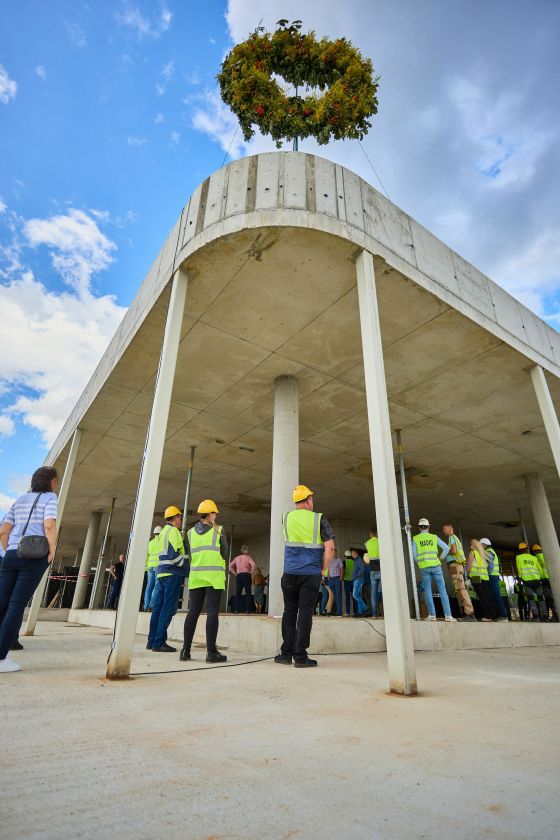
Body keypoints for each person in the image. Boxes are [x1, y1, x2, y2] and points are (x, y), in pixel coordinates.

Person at [0, 466, 58, 673]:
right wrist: (51, 551)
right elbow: (49, 525)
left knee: (2, 603)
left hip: (12, 555)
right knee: (16, 606)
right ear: (50, 481)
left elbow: (3, 531)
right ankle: (1, 658)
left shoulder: (19, 500)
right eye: (55, 480)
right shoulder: (50, 498)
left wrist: (10, 551)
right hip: (34, 556)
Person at [275, 484, 334, 667]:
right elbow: (330, 548)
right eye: (312, 499)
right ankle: (300, 657)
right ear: (308, 500)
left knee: (289, 611)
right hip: (310, 574)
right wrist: (323, 570)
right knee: (305, 613)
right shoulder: (319, 519)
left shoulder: (285, 517)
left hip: (290, 573)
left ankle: (286, 654)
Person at [181, 500, 228, 663]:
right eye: (214, 513)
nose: (216, 515)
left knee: (193, 612)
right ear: (209, 515)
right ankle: (211, 652)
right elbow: (225, 553)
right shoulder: (219, 531)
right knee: (212, 612)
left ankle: (185, 651)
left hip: (196, 577)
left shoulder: (190, 533)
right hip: (213, 577)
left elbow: (191, 554)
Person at [147, 506, 188, 652]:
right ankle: (159, 643)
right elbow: (173, 553)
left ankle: (152, 641)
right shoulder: (174, 532)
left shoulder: (163, 532)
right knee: (168, 608)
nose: (181, 520)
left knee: (157, 608)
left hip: (161, 574)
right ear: (176, 517)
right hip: (172, 574)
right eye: (180, 517)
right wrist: (184, 564)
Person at [412, 518, 456, 622]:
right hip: (436, 566)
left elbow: (414, 555)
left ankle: (432, 615)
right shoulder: (434, 537)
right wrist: (440, 558)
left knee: (427, 590)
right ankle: (448, 616)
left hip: (424, 567)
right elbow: (446, 548)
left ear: (419, 527)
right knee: (443, 591)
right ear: (428, 527)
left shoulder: (415, 539)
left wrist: (420, 563)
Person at [442, 524, 475, 621]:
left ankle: (470, 613)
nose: (443, 531)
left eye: (444, 529)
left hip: (455, 565)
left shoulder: (452, 537)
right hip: (456, 566)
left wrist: (445, 551)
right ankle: (467, 613)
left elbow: (453, 550)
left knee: (461, 588)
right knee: (459, 589)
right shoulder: (454, 538)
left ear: (450, 529)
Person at [466, 540, 497, 622]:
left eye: (470, 545)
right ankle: (491, 615)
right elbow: (490, 565)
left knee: (481, 597)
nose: (469, 546)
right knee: (487, 596)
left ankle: (486, 616)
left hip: (476, 578)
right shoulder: (483, 553)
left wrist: (466, 575)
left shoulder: (473, 553)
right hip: (484, 578)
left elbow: (469, 565)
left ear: (473, 545)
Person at [515, 544, 547, 621]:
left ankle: (536, 616)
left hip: (527, 581)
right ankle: (545, 616)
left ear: (520, 550)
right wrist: (540, 579)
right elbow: (539, 569)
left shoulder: (518, 557)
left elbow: (519, 569)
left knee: (531, 598)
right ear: (527, 549)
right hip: (536, 580)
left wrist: (520, 579)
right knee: (541, 598)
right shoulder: (534, 557)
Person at [479, 538, 508, 621]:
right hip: (493, 576)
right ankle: (499, 615)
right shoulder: (490, 551)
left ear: (484, 545)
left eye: (481, 545)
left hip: (492, 576)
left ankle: (503, 615)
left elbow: (490, 565)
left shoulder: (489, 552)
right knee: (493, 596)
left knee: (496, 595)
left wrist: (487, 575)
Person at [533, 544, 558, 621]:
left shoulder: (537, 557)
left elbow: (539, 567)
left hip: (543, 579)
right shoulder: (546, 555)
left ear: (535, 551)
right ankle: (554, 615)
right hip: (549, 578)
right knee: (552, 597)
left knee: (548, 598)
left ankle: (553, 616)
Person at [229, 544, 255, 614]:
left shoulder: (236, 558)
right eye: (247, 549)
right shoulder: (248, 557)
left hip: (239, 575)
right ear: (244, 550)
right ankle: (247, 610)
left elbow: (230, 566)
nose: (248, 551)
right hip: (246, 575)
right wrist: (251, 572)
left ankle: (236, 610)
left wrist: (235, 573)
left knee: (238, 593)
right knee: (248, 593)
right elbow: (253, 564)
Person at [365, 527, 382, 618]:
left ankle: (374, 614)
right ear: (377, 534)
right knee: (384, 592)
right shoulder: (380, 541)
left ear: (370, 534)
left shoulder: (367, 543)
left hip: (372, 570)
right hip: (381, 568)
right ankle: (386, 613)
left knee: (373, 593)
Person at [143, 525, 162, 611]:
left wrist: (146, 567)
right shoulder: (162, 542)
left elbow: (146, 556)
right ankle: (152, 605)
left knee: (149, 586)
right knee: (157, 586)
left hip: (150, 566)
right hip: (159, 566)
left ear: (154, 533)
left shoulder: (150, 543)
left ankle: (145, 606)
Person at [351, 548, 368, 617]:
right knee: (358, 595)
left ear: (355, 553)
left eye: (352, 552)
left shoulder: (359, 560)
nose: (351, 554)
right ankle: (360, 612)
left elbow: (362, 569)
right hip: (357, 579)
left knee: (355, 595)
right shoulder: (356, 560)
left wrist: (357, 575)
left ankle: (365, 608)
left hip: (358, 580)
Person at [327, 547, 344, 616]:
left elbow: (342, 569)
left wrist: (341, 578)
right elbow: (328, 570)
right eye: (332, 552)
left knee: (338, 595)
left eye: (335, 552)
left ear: (336, 553)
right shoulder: (329, 561)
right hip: (331, 580)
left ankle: (339, 612)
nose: (333, 553)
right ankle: (338, 611)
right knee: (335, 596)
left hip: (337, 579)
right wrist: (328, 577)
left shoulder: (339, 560)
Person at [343, 549, 355, 615]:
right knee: (354, 597)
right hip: (353, 581)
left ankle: (347, 612)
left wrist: (341, 578)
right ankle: (355, 612)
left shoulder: (344, 562)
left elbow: (342, 571)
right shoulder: (354, 562)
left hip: (347, 581)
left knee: (347, 597)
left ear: (345, 556)